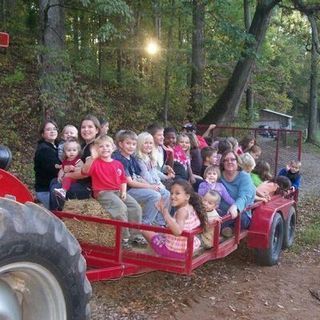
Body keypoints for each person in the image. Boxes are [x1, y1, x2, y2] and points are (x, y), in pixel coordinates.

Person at [80, 134, 143, 247]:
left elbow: (123, 180)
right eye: (101, 147)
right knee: (120, 208)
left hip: (118, 191)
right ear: (97, 150)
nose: (105, 148)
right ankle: (124, 238)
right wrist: (92, 158)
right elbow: (84, 172)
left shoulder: (117, 164)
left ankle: (136, 235)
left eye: (107, 146)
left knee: (135, 207)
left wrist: (123, 192)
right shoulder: (95, 162)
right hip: (103, 192)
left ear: (113, 147)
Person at [112, 130, 166, 226]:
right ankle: (144, 225)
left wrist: (152, 185)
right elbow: (130, 182)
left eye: (133, 144)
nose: (131, 146)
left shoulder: (131, 158)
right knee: (155, 196)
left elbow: (139, 176)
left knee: (161, 192)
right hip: (125, 190)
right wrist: (150, 186)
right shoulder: (119, 159)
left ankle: (155, 222)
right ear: (120, 144)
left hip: (133, 187)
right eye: (128, 143)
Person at [141, 180, 204, 260]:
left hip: (175, 251)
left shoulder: (182, 211)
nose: (173, 196)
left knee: (144, 229)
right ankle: (153, 256)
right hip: (188, 248)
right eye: (171, 193)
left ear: (187, 197)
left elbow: (178, 232)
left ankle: (151, 258)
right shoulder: (190, 207)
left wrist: (165, 212)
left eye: (177, 193)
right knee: (158, 231)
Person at [49, 114, 101, 210]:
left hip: (88, 186)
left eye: (90, 127)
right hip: (79, 181)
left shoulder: (95, 147)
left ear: (97, 130)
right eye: (83, 127)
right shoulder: (83, 145)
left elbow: (86, 174)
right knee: (54, 181)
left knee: (55, 189)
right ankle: (57, 210)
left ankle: (57, 216)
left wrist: (67, 175)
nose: (86, 130)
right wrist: (63, 172)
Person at [219, 151, 256, 235]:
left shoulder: (244, 177)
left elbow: (244, 196)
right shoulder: (218, 176)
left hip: (240, 212)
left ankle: (228, 230)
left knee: (241, 218)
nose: (229, 162)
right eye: (226, 160)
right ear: (222, 163)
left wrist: (235, 206)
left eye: (233, 159)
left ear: (237, 162)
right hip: (221, 211)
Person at [136, 131, 172, 207]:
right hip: (146, 184)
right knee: (166, 194)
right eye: (146, 143)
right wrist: (156, 184)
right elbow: (145, 175)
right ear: (139, 144)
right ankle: (160, 218)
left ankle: (164, 217)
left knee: (170, 191)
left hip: (154, 183)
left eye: (150, 143)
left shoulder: (149, 157)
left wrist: (164, 178)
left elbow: (154, 171)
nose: (148, 145)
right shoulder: (139, 159)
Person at [34, 120, 60, 209]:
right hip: (46, 191)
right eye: (48, 129)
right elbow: (55, 170)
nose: (52, 131)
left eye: (54, 129)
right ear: (42, 134)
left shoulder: (56, 146)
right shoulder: (44, 149)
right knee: (53, 218)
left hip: (51, 189)